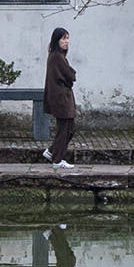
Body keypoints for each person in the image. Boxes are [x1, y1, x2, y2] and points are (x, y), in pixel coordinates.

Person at [41, 26, 77, 168]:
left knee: (68, 128)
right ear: (57, 40)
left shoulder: (57, 56)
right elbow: (69, 76)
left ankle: (51, 152)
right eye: (64, 38)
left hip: (61, 97)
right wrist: (72, 73)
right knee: (65, 129)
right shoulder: (57, 57)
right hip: (61, 98)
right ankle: (57, 160)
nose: (67, 41)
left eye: (67, 38)